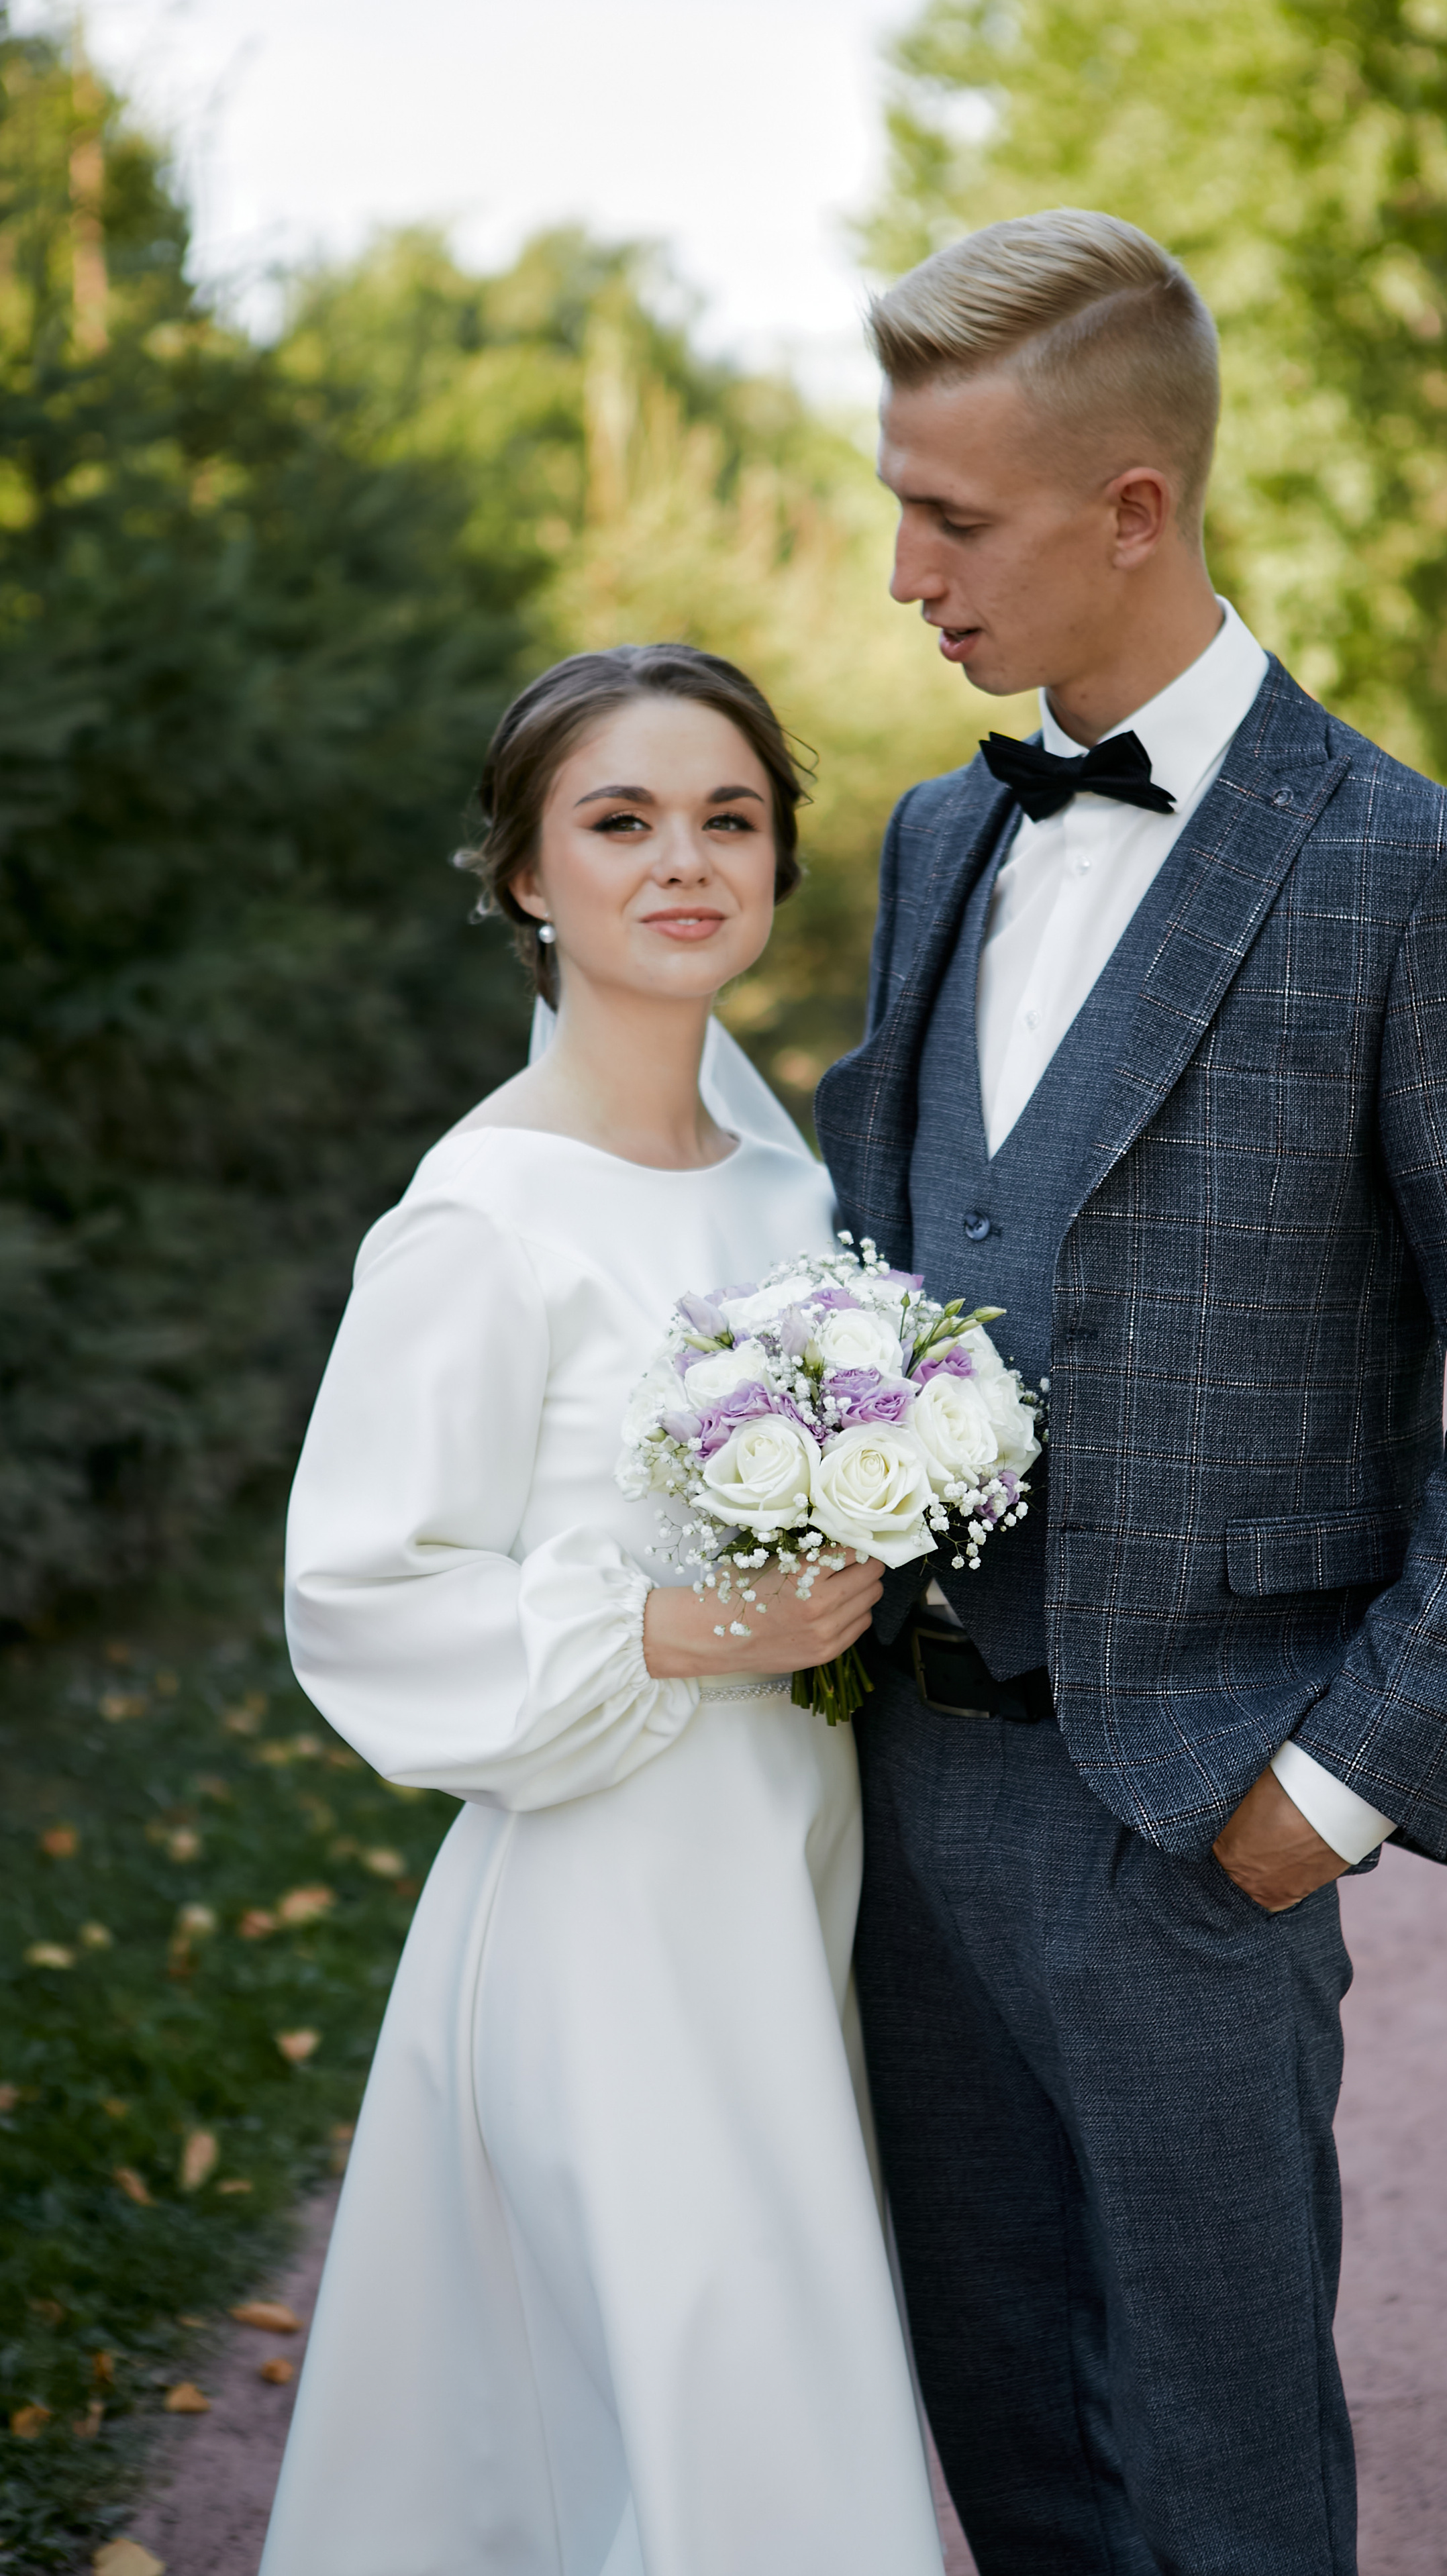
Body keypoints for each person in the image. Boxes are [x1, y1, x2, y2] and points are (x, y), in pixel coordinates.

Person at [816, 211, 1447, 2576]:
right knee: (1010, 2439)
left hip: (1201, 1824)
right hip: (913, 1806)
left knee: (1224, 2467)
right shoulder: (939, 835)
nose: (904, 575)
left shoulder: (1408, 872)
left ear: (1135, 508)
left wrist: (1335, 1786)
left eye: (950, 517)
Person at [259, 645, 946, 2576]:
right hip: (602, 1913)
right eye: (620, 821)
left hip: (790, 1872)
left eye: (730, 819)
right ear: (527, 877)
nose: (684, 862)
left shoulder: (797, 1200)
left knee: (762, 2376)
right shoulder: (485, 1217)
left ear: (781, 865)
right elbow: (361, 1590)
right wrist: (680, 1631)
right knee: (709, 2409)